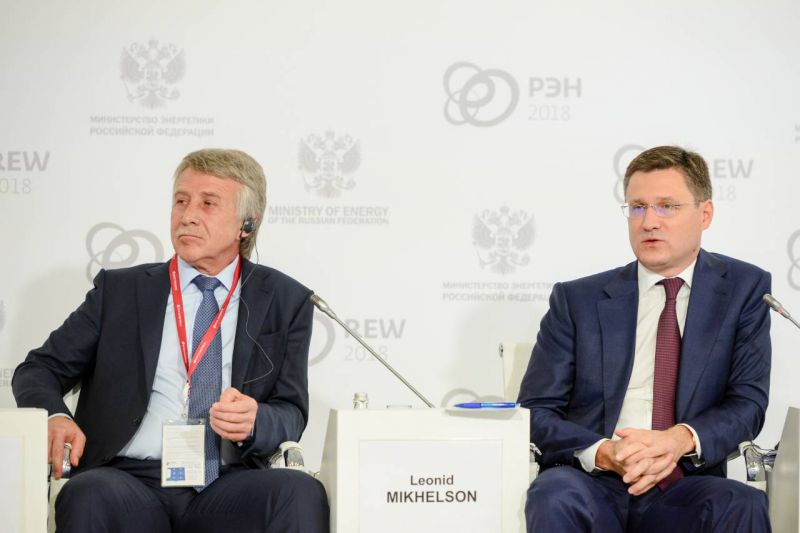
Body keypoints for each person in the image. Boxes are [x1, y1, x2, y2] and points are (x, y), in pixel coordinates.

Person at [13, 149, 328, 532]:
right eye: (181, 201)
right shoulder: (121, 291)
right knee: (88, 494)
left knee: (300, 492)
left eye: (208, 203)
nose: (188, 215)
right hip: (127, 479)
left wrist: (256, 420)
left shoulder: (286, 299)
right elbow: (38, 370)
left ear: (246, 224)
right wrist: (56, 417)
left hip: (228, 483)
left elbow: (291, 412)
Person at [518, 146, 771, 532]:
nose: (649, 222)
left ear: (705, 214)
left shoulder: (743, 289)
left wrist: (678, 440)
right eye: (637, 207)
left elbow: (747, 403)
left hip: (685, 482)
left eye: (667, 206)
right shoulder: (577, 299)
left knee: (742, 504)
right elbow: (536, 410)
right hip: (591, 481)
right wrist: (604, 452)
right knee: (554, 494)